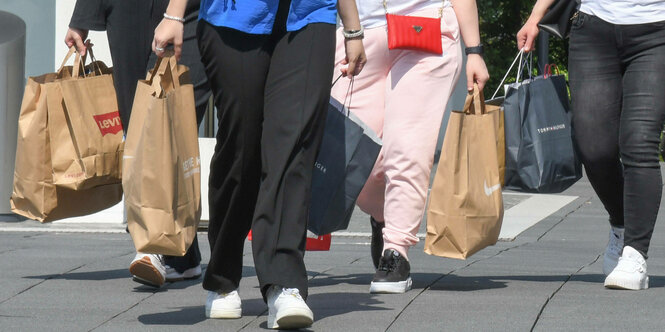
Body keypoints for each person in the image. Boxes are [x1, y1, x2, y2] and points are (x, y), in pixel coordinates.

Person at [152, 0, 366, 328]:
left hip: (310, 14)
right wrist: (174, 14)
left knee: (292, 147)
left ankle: (284, 283)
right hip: (234, 16)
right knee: (242, 148)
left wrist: (352, 28)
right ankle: (223, 275)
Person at [330, 0, 488, 294]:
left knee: (406, 146)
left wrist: (474, 51)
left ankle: (396, 250)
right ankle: (384, 217)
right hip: (360, 34)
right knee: (353, 159)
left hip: (426, 28)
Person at [518, 0, 665, 290]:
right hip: (593, 28)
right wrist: (536, 15)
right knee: (594, 149)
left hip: (658, 33)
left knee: (639, 141)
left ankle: (635, 253)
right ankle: (621, 227)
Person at [64, 0, 212, 288]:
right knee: (136, 119)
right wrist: (82, 15)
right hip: (127, 8)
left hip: (194, 9)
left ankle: (152, 243)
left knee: (168, 115)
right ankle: (181, 256)